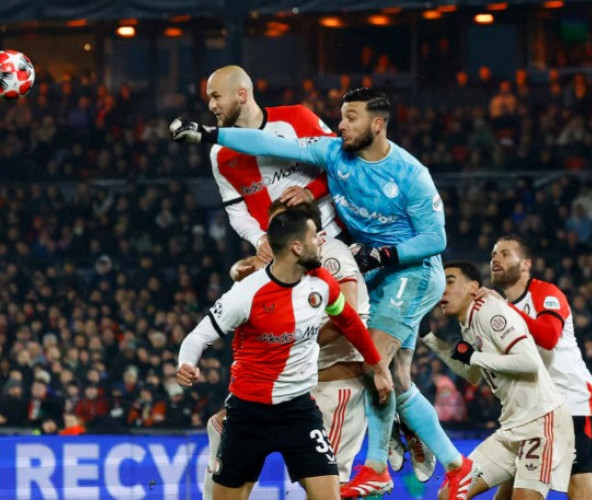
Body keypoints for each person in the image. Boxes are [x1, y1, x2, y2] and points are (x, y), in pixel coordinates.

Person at [171, 87, 477, 499]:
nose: (341, 124)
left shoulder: (409, 172)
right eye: (341, 116)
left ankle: (377, 467)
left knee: (374, 361)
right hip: (374, 268)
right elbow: (267, 142)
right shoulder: (334, 153)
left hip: (412, 272)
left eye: (351, 117)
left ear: (378, 123)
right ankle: (456, 463)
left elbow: (435, 238)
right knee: (398, 378)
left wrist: (384, 252)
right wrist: (209, 134)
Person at [177, 207, 392, 500]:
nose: (321, 241)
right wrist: (186, 363)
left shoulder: (321, 282)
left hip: (299, 411)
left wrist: (377, 366)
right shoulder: (247, 293)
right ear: (296, 246)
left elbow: (350, 322)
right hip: (249, 412)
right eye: (315, 236)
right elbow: (199, 336)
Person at [422, 261, 575, 499]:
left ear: (474, 286)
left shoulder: (489, 309)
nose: (443, 289)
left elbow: (529, 363)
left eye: (450, 282)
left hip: (540, 420)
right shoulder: (468, 323)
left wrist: (474, 355)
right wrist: (430, 339)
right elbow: (472, 374)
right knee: (450, 493)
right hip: (511, 427)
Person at [479, 235, 592, 499]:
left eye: (504, 254)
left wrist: (502, 308)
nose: (495, 259)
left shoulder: (545, 292)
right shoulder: (502, 312)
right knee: (510, 493)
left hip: (573, 402)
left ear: (526, 264)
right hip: (534, 413)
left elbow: (549, 337)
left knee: (580, 492)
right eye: (493, 255)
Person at [204, 65, 342, 263]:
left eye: (216, 96)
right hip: (284, 257)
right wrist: (259, 239)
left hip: (331, 236)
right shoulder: (219, 154)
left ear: (241, 95)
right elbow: (236, 212)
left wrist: (312, 191)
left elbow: (341, 163)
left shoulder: (297, 117)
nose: (211, 105)